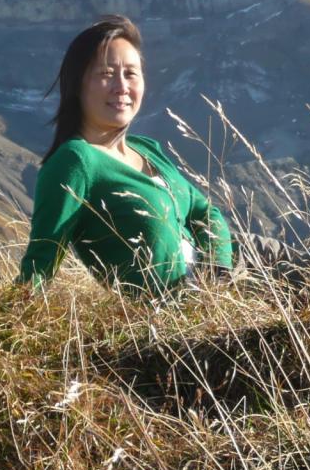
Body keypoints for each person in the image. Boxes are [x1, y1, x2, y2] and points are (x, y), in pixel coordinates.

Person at [17, 15, 235, 294]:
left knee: (301, 259)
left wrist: (219, 273)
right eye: (106, 74)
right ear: (77, 85)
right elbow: (39, 266)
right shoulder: (75, 161)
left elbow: (206, 212)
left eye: (131, 73)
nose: (121, 87)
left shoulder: (147, 149)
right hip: (177, 313)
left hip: (230, 272)